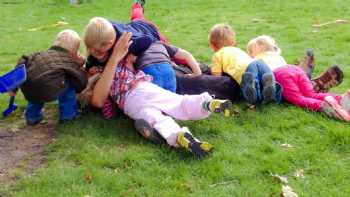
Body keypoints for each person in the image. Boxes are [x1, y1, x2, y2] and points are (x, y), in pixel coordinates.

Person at [92, 32, 232, 158]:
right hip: (143, 88)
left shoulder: (102, 75)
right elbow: (146, 40)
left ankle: (178, 136)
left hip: (130, 103)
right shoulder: (124, 60)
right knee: (176, 102)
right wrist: (127, 44)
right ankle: (205, 103)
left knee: (156, 119)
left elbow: (107, 109)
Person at [246, 35, 350, 121]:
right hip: (295, 69)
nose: (249, 55)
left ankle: (323, 106)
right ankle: (341, 99)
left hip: (281, 74)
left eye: (250, 52)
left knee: (298, 98)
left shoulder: (256, 60)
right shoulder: (277, 55)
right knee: (312, 93)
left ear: (256, 49)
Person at [11, 29, 87, 125]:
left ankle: (32, 117)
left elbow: (22, 61)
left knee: (36, 93)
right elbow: (77, 76)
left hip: (29, 85)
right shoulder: (68, 61)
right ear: (73, 53)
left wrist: (14, 87)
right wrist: (80, 68)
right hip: (50, 88)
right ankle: (68, 116)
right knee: (69, 89)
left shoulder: (38, 54)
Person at [208, 23, 281, 104]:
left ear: (212, 45)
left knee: (251, 84)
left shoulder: (217, 55)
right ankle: (272, 89)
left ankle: (253, 92)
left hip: (245, 69)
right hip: (258, 63)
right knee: (265, 79)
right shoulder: (238, 50)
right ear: (233, 42)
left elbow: (217, 77)